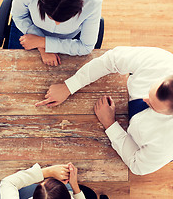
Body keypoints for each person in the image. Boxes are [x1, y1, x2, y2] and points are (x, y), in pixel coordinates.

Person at [36, 46, 173, 175]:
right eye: (149, 92)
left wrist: (110, 124)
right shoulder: (160, 61)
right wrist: (69, 86)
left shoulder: (166, 143)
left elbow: (137, 165)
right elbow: (112, 59)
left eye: (153, 106)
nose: (144, 99)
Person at [9, 0, 102, 66]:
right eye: (50, 16)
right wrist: (42, 47)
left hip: (69, 39)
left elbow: (86, 47)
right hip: (28, 27)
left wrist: (43, 43)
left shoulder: (93, 0)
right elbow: (19, 16)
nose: (57, 24)